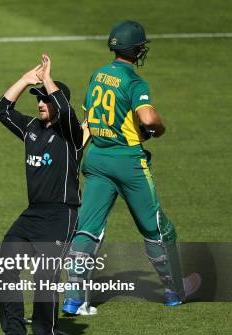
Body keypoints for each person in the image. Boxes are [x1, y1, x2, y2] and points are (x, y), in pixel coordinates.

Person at [63, 20, 200, 315]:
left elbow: (88, 121)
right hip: (128, 163)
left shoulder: (98, 75)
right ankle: (175, 289)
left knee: (88, 228)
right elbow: (148, 119)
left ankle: (74, 298)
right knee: (157, 228)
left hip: (97, 159)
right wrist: (158, 130)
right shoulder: (135, 82)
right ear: (137, 50)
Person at [0, 54, 83, 335]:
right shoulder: (31, 128)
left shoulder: (71, 134)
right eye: (38, 99)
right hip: (32, 214)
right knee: (4, 266)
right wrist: (28, 79)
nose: (40, 103)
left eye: (45, 99)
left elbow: (66, 109)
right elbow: (0, 110)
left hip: (60, 214)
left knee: (44, 277)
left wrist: (49, 80)